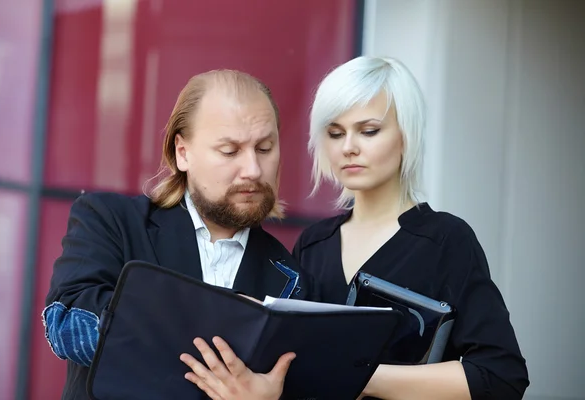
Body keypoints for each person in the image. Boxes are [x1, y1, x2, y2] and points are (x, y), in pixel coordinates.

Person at [180, 56, 530, 400]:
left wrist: (358, 375)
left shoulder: (446, 240)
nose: (348, 148)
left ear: (406, 135)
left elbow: (500, 376)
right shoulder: (313, 244)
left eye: (369, 130)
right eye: (335, 133)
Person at [42, 69, 318, 400]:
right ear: (182, 152)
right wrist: (225, 322)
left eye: (264, 148)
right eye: (230, 151)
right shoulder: (109, 220)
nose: (253, 170)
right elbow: (68, 326)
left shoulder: (293, 278)